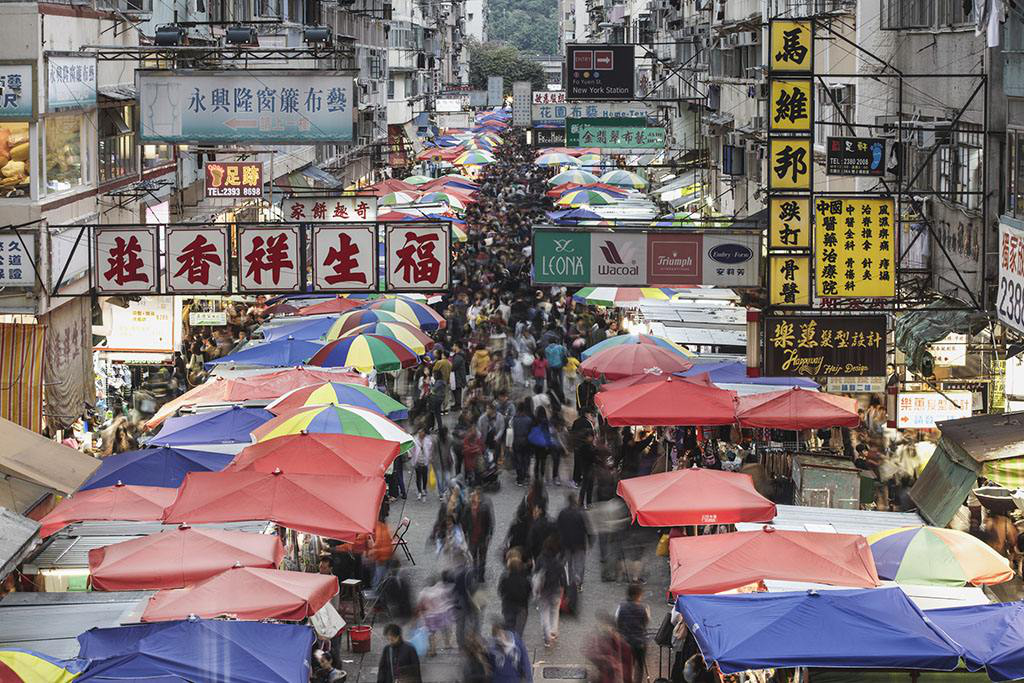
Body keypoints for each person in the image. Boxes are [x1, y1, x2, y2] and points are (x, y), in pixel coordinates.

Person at [533, 535, 566, 648]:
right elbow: (563, 577)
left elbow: (536, 573)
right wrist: (563, 588)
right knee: (555, 611)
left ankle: (547, 638)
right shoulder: (558, 561)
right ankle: (554, 631)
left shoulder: (540, 559)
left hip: (543, 591)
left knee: (544, 614)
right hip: (556, 590)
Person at [615, 584, 651, 683]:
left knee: (627, 665)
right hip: (640, 642)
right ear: (637, 595)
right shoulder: (644, 608)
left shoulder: (621, 607)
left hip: (626, 641)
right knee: (640, 666)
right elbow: (646, 622)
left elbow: (618, 621)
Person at [557, 492, 592, 591]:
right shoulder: (581, 513)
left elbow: (558, 527)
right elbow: (587, 528)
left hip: (566, 543)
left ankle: (571, 582)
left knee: (569, 563)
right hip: (579, 544)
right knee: (579, 564)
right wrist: (590, 540)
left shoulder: (563, 513)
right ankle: (578, 583)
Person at [462, 488, 494, 581]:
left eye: (474, 496)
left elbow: (490, 523)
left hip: (483, 537)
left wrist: (489, 535)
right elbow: (464, 522)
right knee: (474, 557)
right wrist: (464, 534)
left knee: (483, 557)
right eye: (471, 496)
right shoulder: (468, 508)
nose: (473, 498)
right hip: (472, 537)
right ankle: (475, 572)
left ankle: (481, 575)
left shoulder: (484, 508)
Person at [488, 618, 533, 683]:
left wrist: (528, 680)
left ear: (505, 633)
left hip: (514, 679)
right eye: (496, 636)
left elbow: (525, 663)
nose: (499, 638)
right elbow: (490, 668)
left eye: (500, 635)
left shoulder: (516, 644)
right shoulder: (492, 649)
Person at [497, 549, 531, 636]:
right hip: (521, 606)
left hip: (508, 606)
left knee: (509, 627)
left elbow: (500, 591)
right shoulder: (525, 578)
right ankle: (517, 646)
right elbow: (529, 592)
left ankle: (509, 645)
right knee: (518, 632)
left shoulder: (505, 578)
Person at [409, 425, 434, 502]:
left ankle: (424, 489)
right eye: (420, 432)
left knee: (425, 477)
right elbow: (411, 449)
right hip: (417, 461)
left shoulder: (427, 440)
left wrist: (430, 457)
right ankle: (419, 491)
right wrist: (411, 456)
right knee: (418, 477)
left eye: (422, 432)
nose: (421, 433)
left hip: (425, 462)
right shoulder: (415, 440)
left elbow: (430, 449)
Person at [544, 334, 569, 405]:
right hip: (560, 365)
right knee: (561, 378)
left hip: (551, 366)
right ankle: (561, 390)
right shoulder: (560, 347)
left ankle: (555, 390)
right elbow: (564, 353)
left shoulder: (546, 349)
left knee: (554, 378)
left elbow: (547, 358)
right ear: (555, 341)